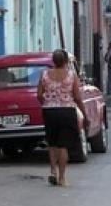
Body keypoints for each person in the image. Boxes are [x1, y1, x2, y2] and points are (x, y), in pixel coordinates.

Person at [37, 50, 90, 187]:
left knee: (52, 142)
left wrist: (47, 103)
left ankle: (53, 170)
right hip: (67, 111)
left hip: (49, 112)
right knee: (63, 145)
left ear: (53, 61)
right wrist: (84, 114)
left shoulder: (44, 75)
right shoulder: (71, 76)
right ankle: (62, 178)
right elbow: (77, 97)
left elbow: (39, 95)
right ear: (66, 61)